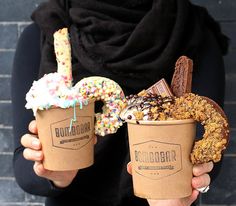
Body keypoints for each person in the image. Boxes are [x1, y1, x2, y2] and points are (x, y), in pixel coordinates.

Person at [12, 0, 229, 206]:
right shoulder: (45, 30)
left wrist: (180, 187)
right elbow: (23, 168)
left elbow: (210, 155)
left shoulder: (193, 32)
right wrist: (54, 173)